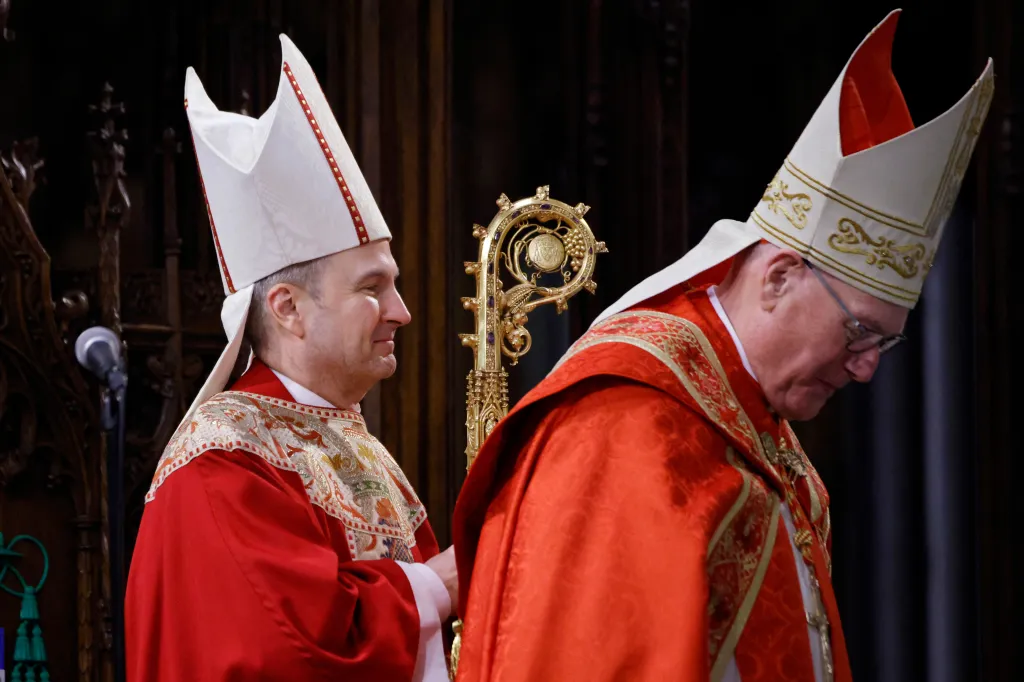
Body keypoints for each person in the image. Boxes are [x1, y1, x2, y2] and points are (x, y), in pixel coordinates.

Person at [451, 10, 993, 682]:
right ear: (778, 278)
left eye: (888, 340)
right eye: (859, 332)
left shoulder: (755, 421)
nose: (867, 368)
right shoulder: (624, 423)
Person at [126, 35, 455, 681]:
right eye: (372, 288)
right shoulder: (223, 467)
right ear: (287, 307)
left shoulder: (348, 438)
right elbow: (280, 654)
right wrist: (443, 582)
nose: (402, 311)